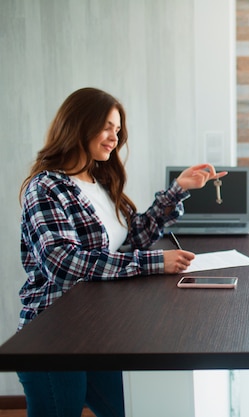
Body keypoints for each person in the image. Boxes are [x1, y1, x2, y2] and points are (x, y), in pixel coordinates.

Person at [17, 87, 227, 417]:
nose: (114, 137)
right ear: (78, 125)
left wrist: (178, 190)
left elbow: (135, 236)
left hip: (97, 330)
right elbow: (63, 262)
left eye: (117, 130)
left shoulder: (99, 180)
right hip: (54, 333)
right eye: (106, 127)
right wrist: (156, 262)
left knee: (126, 409)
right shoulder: (46, 187)